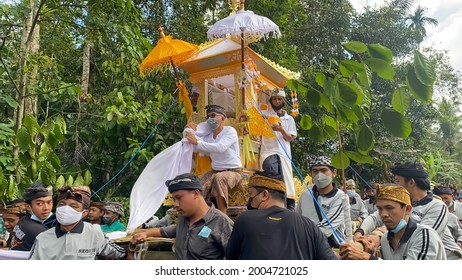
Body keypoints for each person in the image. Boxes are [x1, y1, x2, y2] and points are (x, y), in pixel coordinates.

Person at [354, 161, 462, 259]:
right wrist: (360, 232)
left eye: (398, 181)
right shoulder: (401, 204)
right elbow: (375, 217)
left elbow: (424, 236)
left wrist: (379, 237)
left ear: (411, 182)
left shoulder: (437, 206)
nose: (396, 186)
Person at [226, 172, 337, 260]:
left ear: (264, 194)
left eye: (251, 194)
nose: (249, 200)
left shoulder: (245, 220)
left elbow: (231, 257)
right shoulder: (309, 225)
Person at [131, 173, 234, 260]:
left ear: (195, 193)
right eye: (174, 199)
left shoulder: (221, 223)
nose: (175, 204)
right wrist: (146, 234)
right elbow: (175, 230)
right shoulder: (183, 219)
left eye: (178, 198)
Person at [339, 184, 446, 260]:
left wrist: (366, 257)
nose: (383, 214)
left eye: (389, 208)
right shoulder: (386, 239)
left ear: (407, 209)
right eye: (380, 209)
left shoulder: (424, 235)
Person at [29, 186, 128, 260]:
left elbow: (120, 253)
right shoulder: (42, 239)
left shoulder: (94, 232)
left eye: (73, 206)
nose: (66, 209)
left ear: (84, 213)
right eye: (62, 204)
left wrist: (131, 250)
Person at [185, 104, 242, 214]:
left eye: (213, 115)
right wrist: (189, 131)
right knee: (196, 183)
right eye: (208, 117)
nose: (210, 119)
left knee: (219, 178)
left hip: (233, 171)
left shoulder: (230, 131)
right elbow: (197, 146)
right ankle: (200, 215)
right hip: (215, 171)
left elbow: (220, 147)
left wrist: (197, 141)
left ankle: (222, 216)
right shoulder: (208, 136)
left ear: (223, 118)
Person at [296, 156, 351, 248]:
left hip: (331, 248)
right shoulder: (305, 195)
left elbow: (326, 229)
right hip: (307, 245)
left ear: (334, 173)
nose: (319, 175)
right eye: (315, 171)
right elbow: (298, 219)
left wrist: (298, 235)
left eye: (323, 170)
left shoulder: (340, 197)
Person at [259, 88, 297, 210]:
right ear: (271, 100)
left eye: (279, 99)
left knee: (285, 180)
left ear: (283, 101)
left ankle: (286, 205)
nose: (276, 101)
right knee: (270, 172)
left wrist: (281, 129)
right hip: (268, 150)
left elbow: (290, 137)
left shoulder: (289, 118)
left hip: (283, 153)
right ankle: (271, 202)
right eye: (274, 99)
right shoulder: (265, 115)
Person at [10, 182, 53, 251]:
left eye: (49, 202)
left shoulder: (23, 221)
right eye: (39, 203)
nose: (46, 208)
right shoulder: (38, 231)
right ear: (27, 206)